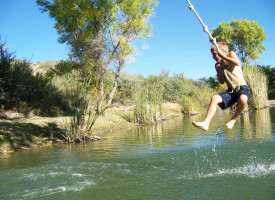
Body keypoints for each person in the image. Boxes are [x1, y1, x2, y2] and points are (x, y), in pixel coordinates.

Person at [192, 42, 250, 130]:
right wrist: (220, 69)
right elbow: (221, 81)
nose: (213, 57)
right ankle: (206, 123)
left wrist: (223, 56)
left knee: (243, 98)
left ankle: (233, 120)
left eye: (215, 54)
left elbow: (237, 62)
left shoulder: (231, 54)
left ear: (221, 51)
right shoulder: (218, 65)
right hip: (231, 91)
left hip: (242, 88)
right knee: (214, 98)